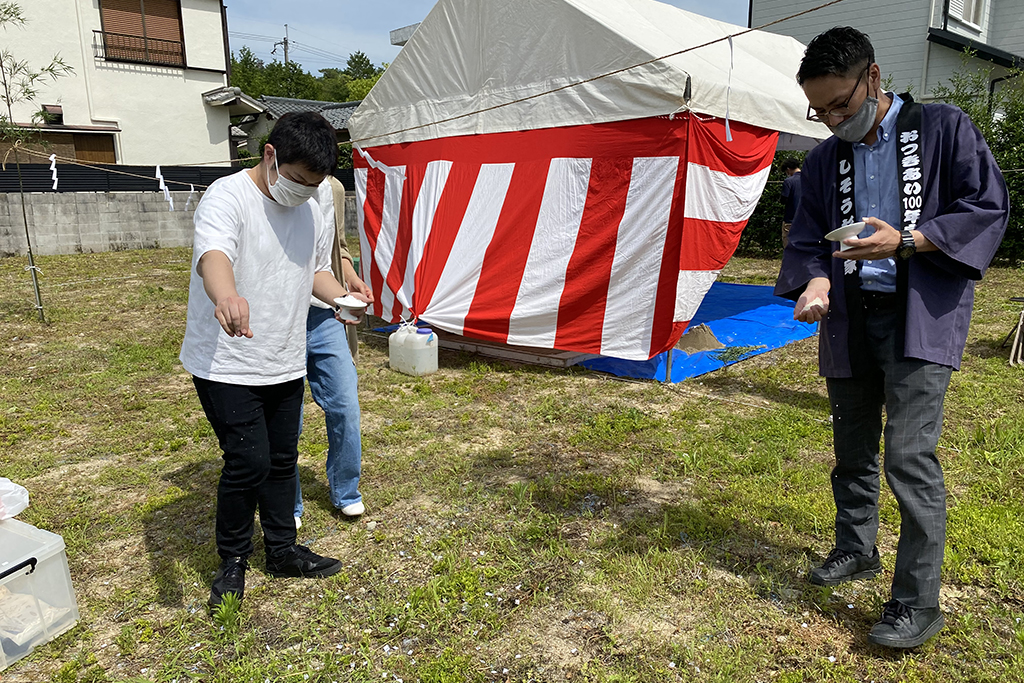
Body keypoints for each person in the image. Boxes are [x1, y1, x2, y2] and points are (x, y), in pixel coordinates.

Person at [775, 27, 1008, 648]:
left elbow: (985, 208)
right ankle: (856, 548)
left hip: (917, 315)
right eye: (818, 110)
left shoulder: (943, 128)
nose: (829, 120)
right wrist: (816, 283)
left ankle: (915, 601)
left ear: (872, 79)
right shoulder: (826, 160)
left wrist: (906, 240)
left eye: (839, 106)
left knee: (909, 456)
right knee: (852, 448)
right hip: (850, 318)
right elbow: (807, 240)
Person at [180, 112, 352, 609]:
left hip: (283, 354)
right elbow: (214, 255)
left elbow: (315, 270)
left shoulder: (314, 204)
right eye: (297, 180)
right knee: (247, 462)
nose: (303, 191)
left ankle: (281, 550)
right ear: (270, 155)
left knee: (281, 460)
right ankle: (232, 561)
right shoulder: (228, 195)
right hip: (227, 358)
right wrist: (227, 295)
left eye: (314, 184)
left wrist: (341, 299)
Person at [294, 175, 374, 528]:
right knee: (287, 419)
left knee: (345, 403)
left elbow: (335, 247)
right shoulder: (270, 188)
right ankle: (287, 503)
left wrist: (350, 278)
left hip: (326, 312)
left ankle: (347, 491)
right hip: (285, 317)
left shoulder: (334, 189)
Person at [779, 158, 802, 248]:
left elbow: (784, 199)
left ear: (788, 169)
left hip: (791, 220)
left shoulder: (789, 181)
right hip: (807, 220)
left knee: (789, 247)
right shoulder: (810, 179)